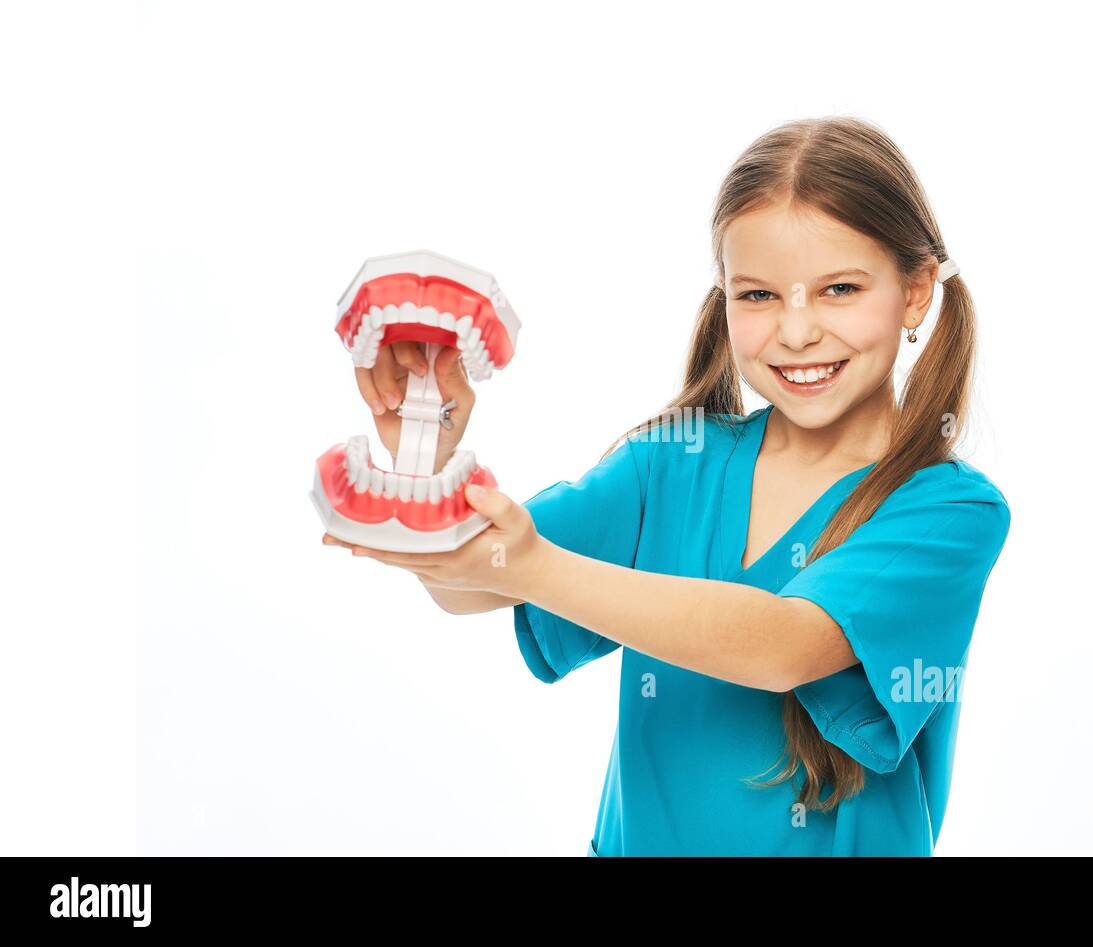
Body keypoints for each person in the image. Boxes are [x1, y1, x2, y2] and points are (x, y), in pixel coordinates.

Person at [325, 116, 1012, 856]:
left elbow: (783, 646)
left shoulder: (949, 511)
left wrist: (532, 563)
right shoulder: (668, 465)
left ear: (915, 294)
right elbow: (478, 586)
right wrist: (424, 457)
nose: (798, 329)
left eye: (840, 288)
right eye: (758, 295)